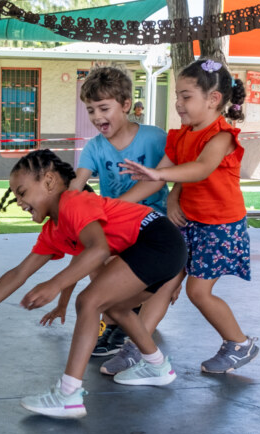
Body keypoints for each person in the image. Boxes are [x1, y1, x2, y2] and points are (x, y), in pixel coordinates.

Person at [0, 150, 187, 419]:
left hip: (158, 240)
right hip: (161, 248)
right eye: (15, 196)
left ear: (49, 181)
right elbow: (19, 272)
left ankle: (68, 395)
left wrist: (53, 285)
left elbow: (98, 250)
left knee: (89, 301)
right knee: (116, 308)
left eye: (22, 192)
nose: (18, 202)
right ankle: (157, 366)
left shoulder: (73, 202)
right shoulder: (54, 230)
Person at [120, 58, 259, 374]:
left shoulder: (221, 136)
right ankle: (137, 347)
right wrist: (116, 206)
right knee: (164, 283)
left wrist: (161, 176)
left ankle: (239, 343)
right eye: (177, 96)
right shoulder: (181, 135)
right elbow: (165, 176)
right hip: (188, 221)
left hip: (220, 227)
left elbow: (200, 169)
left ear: (213, 99)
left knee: (198, 292)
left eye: (186, 96)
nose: (179, 104)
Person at [54, 67, 174, 365]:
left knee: (128, 277)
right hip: (118, 226)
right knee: (98, 259)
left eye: (103, 108)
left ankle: (125, 321)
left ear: (124, 104)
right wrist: (62, 211)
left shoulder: (155, 137)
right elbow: (76, 184)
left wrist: (177, 201)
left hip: (152, 225)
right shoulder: (94, 147)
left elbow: (170, 175)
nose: (96, 117)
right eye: (90, 109)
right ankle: (119, 321)